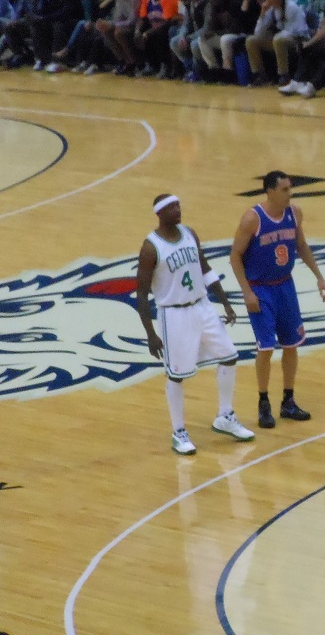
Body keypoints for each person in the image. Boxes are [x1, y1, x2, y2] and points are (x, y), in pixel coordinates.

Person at [136, 194, 255, 455]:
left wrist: (224, 301)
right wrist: (150, 334)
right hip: (174, 314)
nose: (178, 210)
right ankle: (179, 432)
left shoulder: (189, 233)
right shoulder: (151, 248)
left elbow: (205, 268)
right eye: (172, 208)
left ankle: (225, 416)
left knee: (229, 356)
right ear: (159, 213)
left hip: (203, 306)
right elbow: (141, 293)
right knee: (177, 375)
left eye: (178, 205)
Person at [229, 170, 325, 428]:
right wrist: (246, 292)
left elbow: (302, 246)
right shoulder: (252, 219)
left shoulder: (294, 213)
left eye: (290, 188)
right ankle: (263, 402)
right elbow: (235, 256)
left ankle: (288, 401)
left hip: (285, 286)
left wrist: (319, 277)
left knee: (291, 344)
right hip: (260, 289)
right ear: (270, 191)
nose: (290, 194)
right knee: (265, 347)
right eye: (285, 189)